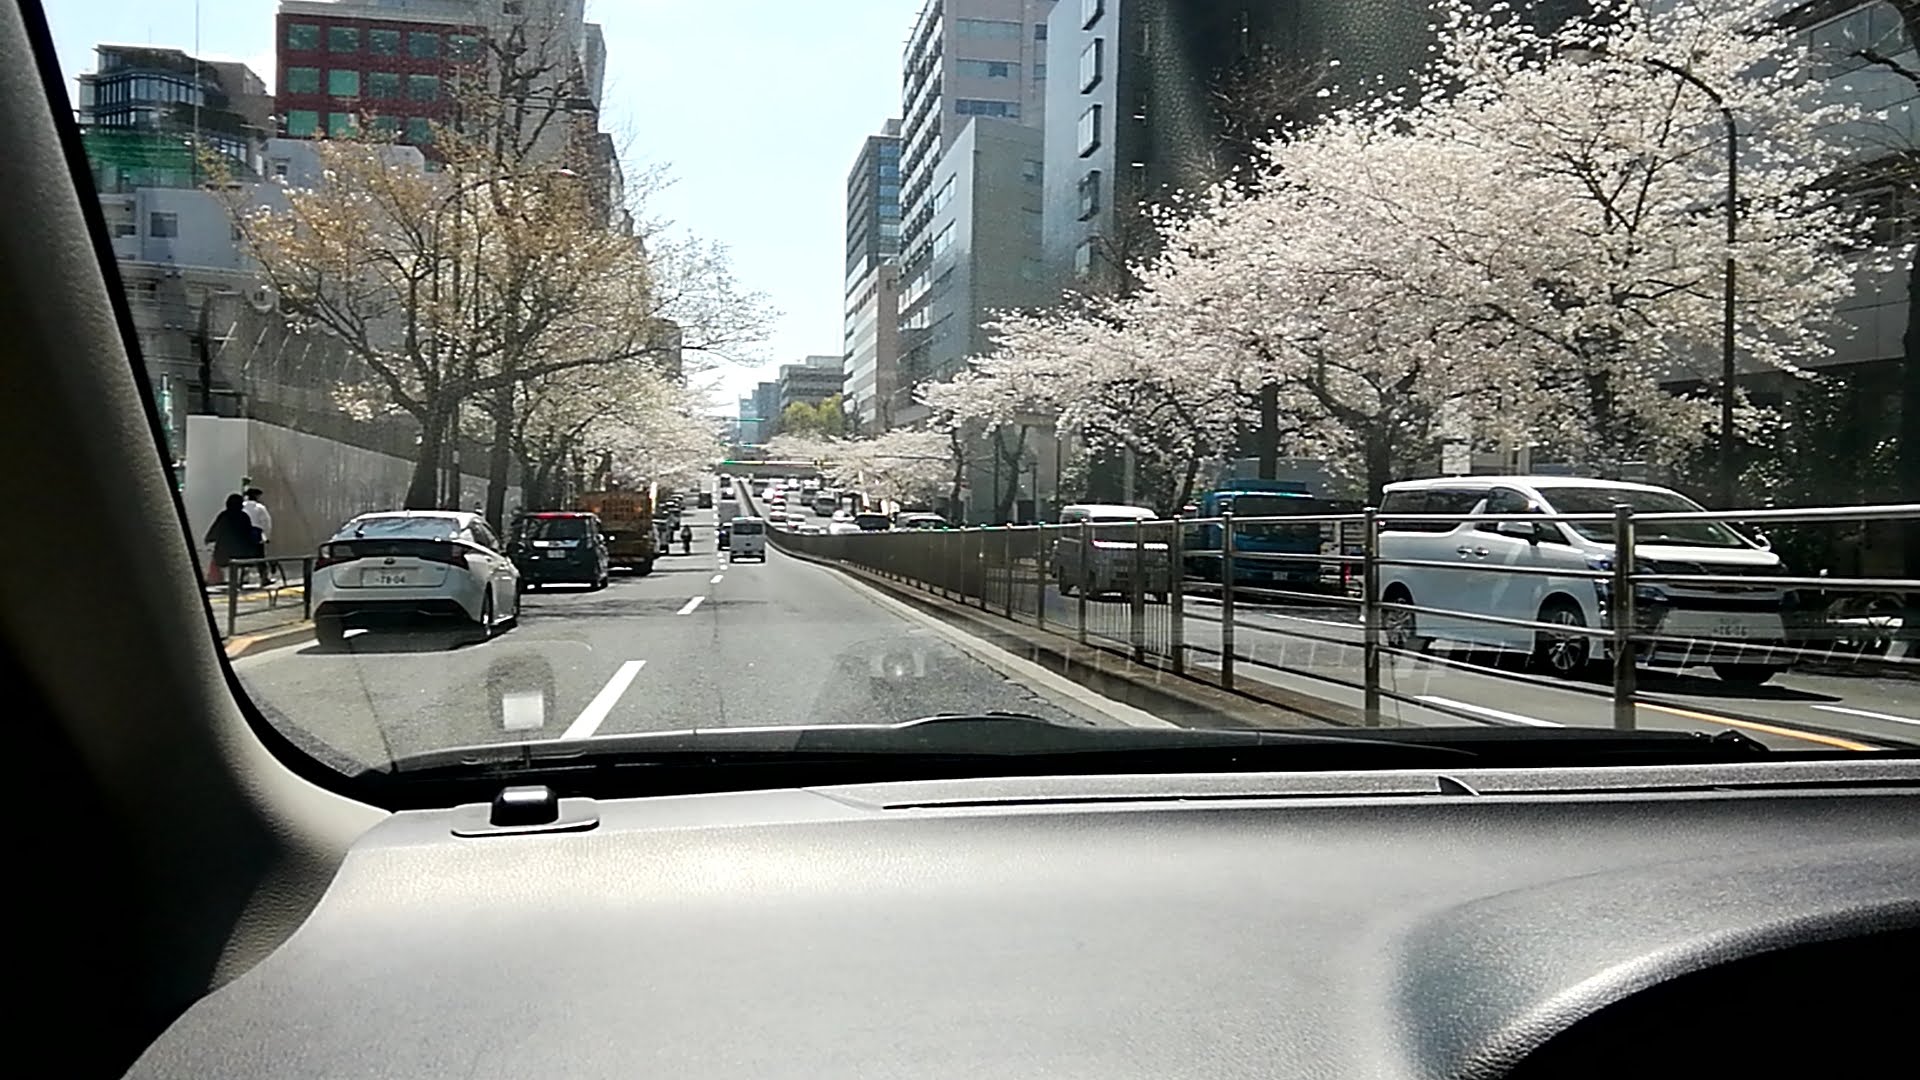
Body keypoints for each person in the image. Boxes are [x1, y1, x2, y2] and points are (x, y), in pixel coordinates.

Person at [204, 494, 257, 588]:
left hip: (224, 553)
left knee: (222, 561)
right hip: (242, 553)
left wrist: (208, 539)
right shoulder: (244, 517)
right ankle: (241, 580)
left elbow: (215, 530)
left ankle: (226, 581)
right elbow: (249, 534)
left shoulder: (224, 516)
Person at [242, 487, 274, 586]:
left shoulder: (242, 506)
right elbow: (266, 523)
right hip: (255, 534)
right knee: (260, 558)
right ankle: (264, 578)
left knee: (242, 557)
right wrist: (267, 537)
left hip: (242, 535)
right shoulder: (260, 508)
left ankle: (242, 578)